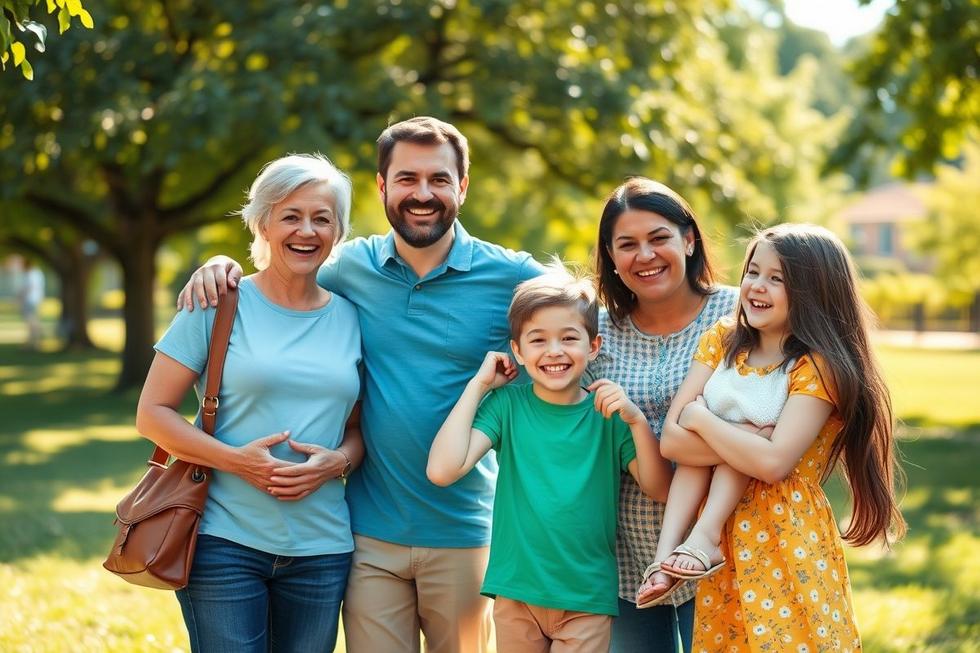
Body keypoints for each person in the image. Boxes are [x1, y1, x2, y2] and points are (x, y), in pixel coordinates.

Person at [176, 117, 544, 653]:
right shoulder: (348, 268)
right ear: (382, 186)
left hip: (465, 531)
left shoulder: (510, 277)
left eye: (439, 179)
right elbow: (280, 271)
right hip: (366, 534)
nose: (423, 194)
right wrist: (220, 264)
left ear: (462, 186)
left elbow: (588, 318)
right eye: (407, 179)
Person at [138, 154, 364, 652]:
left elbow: (357, 427)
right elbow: (151, 413)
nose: (307, 231)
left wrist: (338, 462)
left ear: (338, 230)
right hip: (224, 542)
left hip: (323, 549)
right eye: (291, 215)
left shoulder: (353, 317)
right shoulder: (218, 302)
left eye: (322, 218)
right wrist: (237, 462)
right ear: (262, 222)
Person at [656, 224, 906, 651]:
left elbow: (773, 464)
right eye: (753, 271)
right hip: (724, 539)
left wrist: (701, 418)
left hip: (784, 537)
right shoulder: (722, 339)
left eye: (778, 279)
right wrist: (748, 437)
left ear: (814, 292)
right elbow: (672, 442)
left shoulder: (818, 366)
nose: (757, 286)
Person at [427, 265, 673, 651]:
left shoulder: (608, 414)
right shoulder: (505, 407)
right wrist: (478, 385)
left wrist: (638, 421)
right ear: (518, 351)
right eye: (538, 340)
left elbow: (659, 489)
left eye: (568, 338)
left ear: (593, 346)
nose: (554, 351)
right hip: (515, 592)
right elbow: (442, 470)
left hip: (586, 598)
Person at [588, 177, 739, 652]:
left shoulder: (737, 315)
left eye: (659, 238)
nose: (645, 256)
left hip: (722, 546)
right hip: (625, 557)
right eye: (627, 245)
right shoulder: (595, 333)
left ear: (688, 239)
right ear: (611, 257)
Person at [18, 258, 45, 349]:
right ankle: (33, 342)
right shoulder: (36, 273)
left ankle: (34, 343)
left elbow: (29, 287)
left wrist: (20, 297)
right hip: (34, 300)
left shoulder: (32, 273)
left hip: (30, 300)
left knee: (32, 322)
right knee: (32, 322)